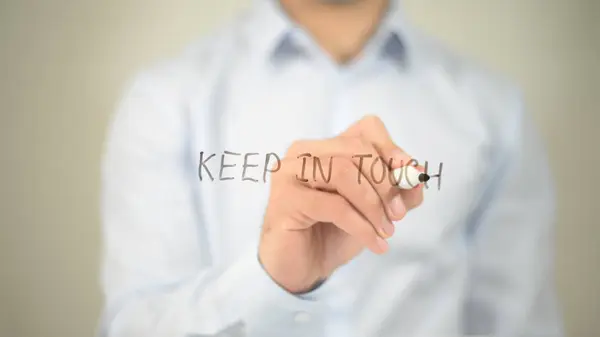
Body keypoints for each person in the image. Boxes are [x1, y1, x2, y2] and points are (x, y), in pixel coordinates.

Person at [98, 0, 563, 336]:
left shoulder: (496, 112)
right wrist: (268, 281)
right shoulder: (165, 100)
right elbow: (134, 328)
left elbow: (518, 325)